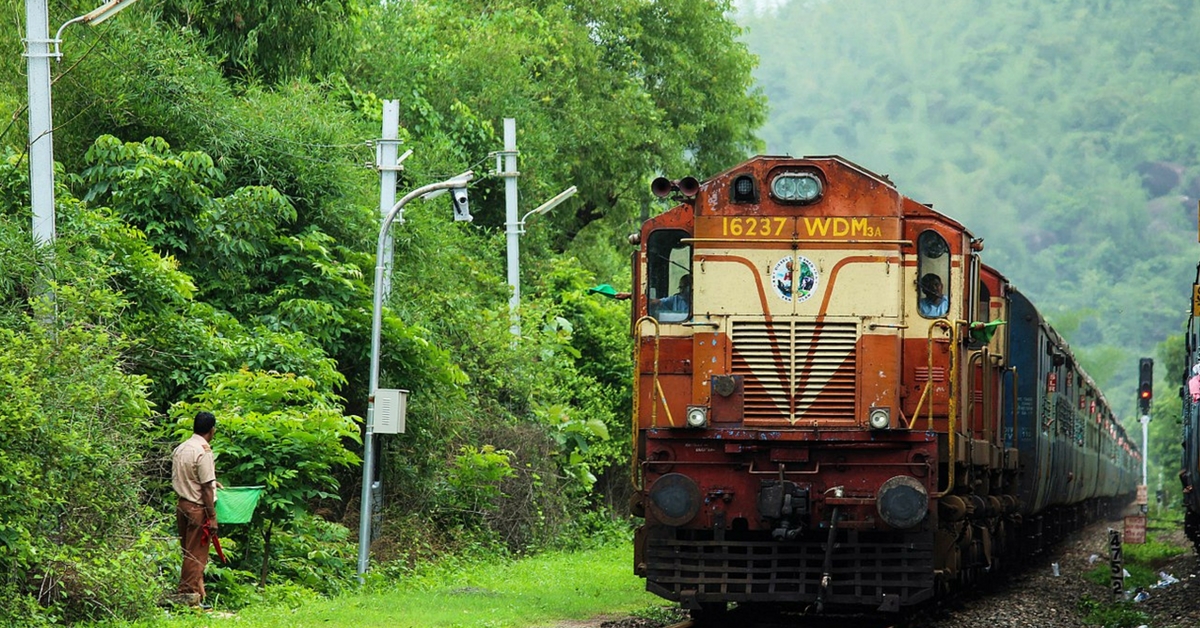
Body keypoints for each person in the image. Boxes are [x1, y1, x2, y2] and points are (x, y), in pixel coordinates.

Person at [171, 411, 220, 608]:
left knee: (188, 551)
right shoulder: (203, 450)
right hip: (197, 508)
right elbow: (206, 487)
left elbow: (190, 477)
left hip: (182, 504)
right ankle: (187, 596)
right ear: (212, 430)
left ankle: (198, 595)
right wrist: (212, 516)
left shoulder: (181, 448)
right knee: (196, 554)